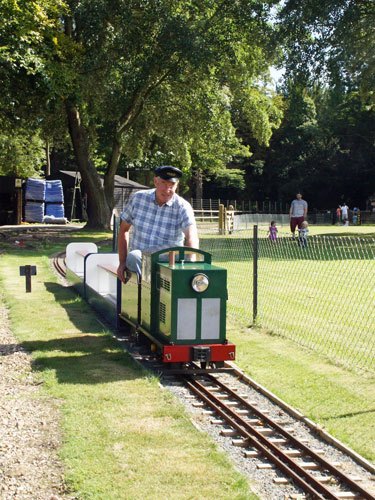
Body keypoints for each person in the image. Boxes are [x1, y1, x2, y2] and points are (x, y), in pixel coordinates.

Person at [117, 165, 199, 282]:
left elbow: (192, 237)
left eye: (171, 185)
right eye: (164, 183)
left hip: (168, 262)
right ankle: (147, 289)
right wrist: (122, 262)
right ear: (155, 181)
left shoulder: (183, 207)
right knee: (134, 256)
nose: (167, 190)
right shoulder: (138, 198)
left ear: (177, 185)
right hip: (141, 259)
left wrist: (192, 268)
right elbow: (124, 230)